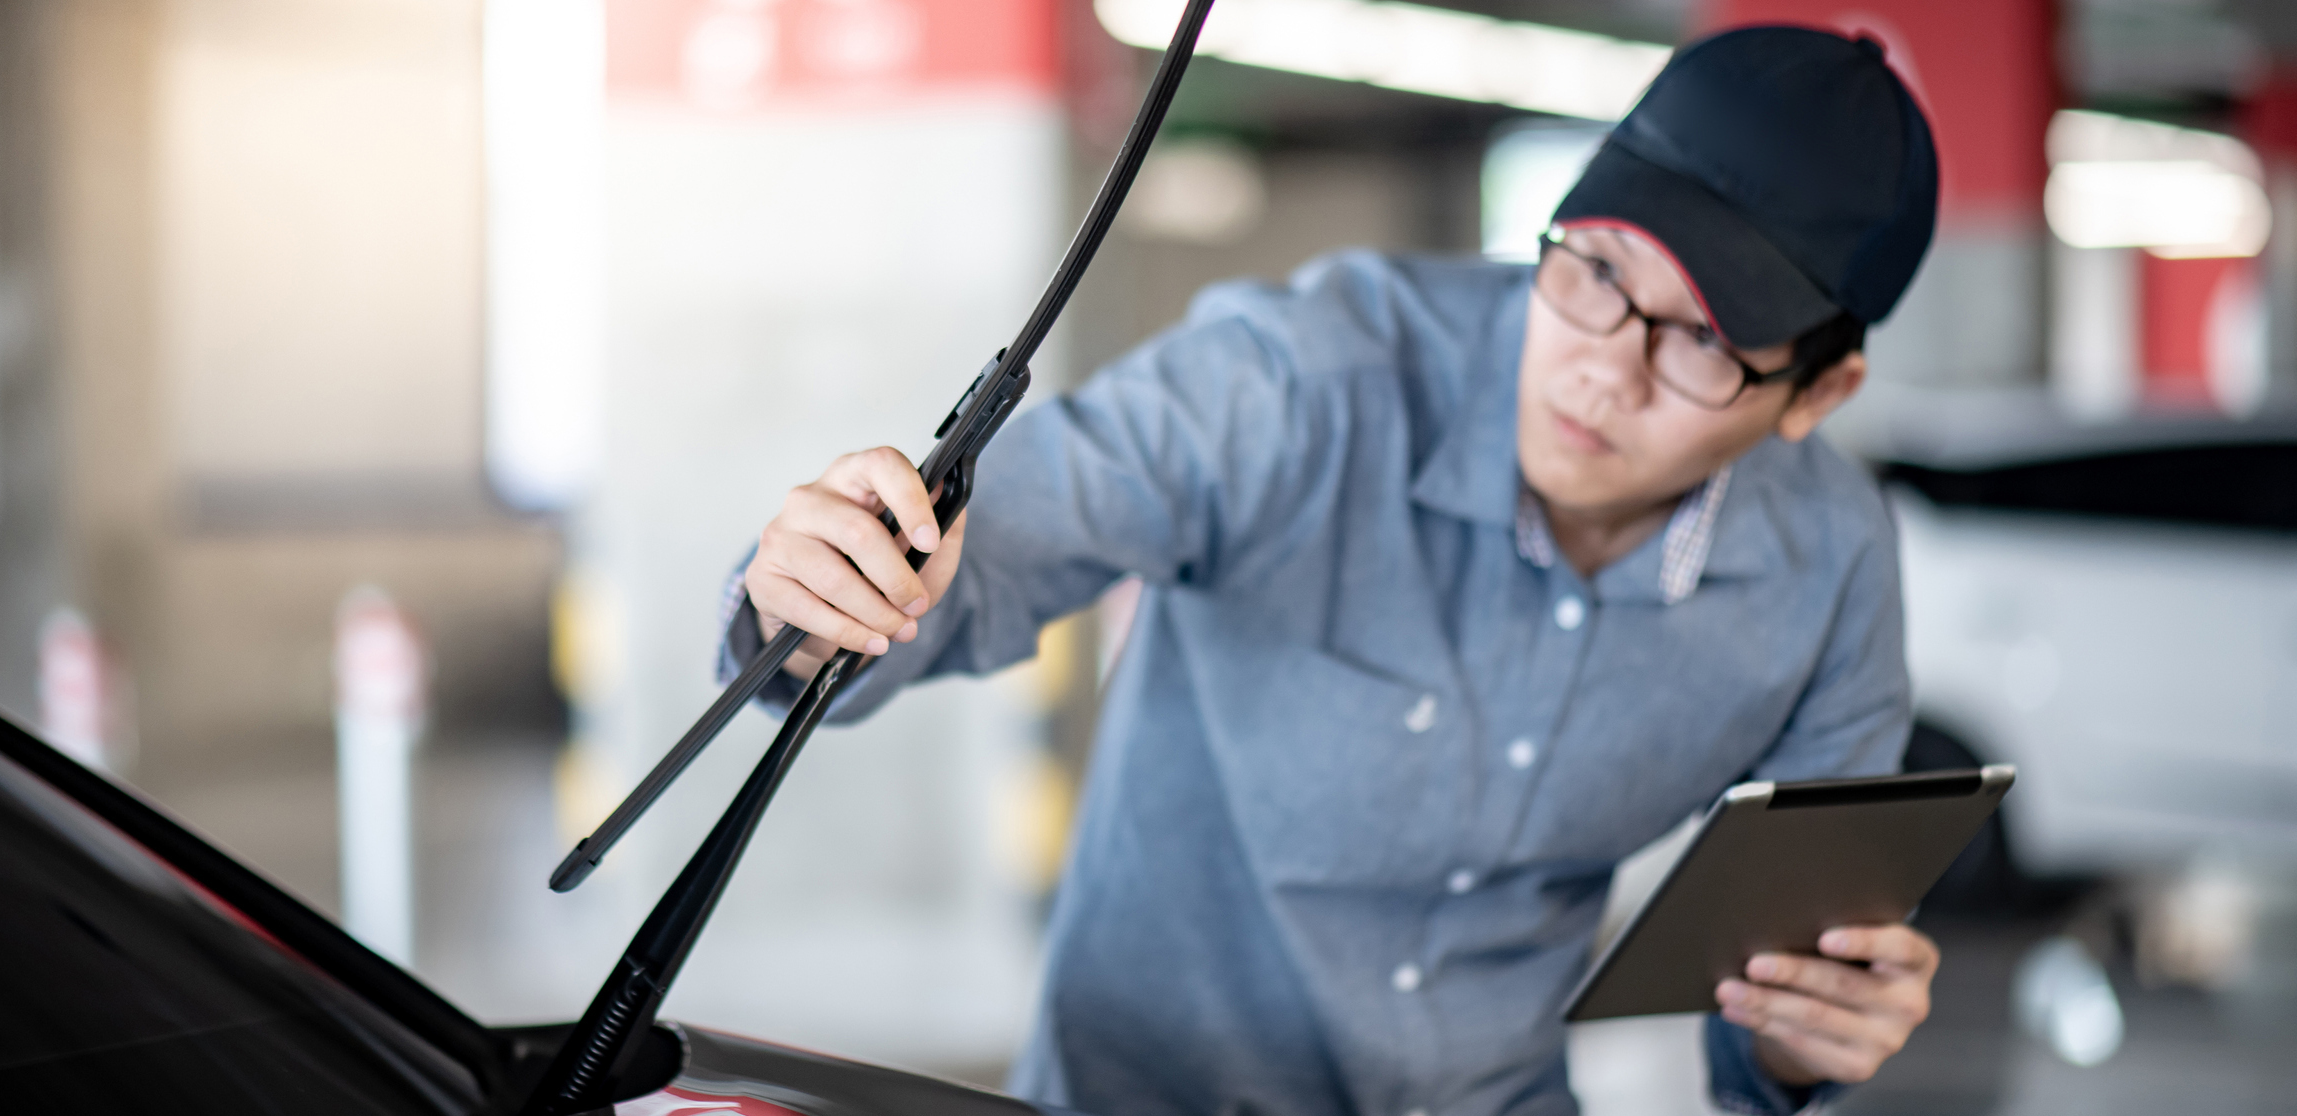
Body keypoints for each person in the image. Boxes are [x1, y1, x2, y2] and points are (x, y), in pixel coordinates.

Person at [723, 25, 1940, 1116]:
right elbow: (995, 548)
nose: (1600, 372)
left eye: (1701, 346)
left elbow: (1786, 977)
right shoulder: (1299, 381)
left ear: (1818, 394)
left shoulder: (1829, 567)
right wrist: (824, 595)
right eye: (1595, 274)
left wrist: (1805, 1039)